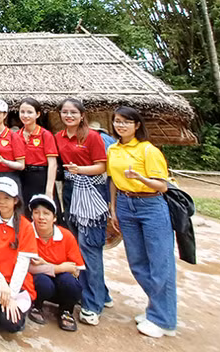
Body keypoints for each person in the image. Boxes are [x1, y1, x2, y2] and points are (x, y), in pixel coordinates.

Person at [107, 106, 177, 339]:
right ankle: (157, 309)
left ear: (137, 125)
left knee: (160, 262)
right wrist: (114, 208)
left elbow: (162, 186)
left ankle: (164, 319)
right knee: (137, 261)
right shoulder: (114, 150)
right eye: (117, 121)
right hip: (125, 205)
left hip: (151, 205)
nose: (121, 125)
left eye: (126, 122)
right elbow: (114, 181)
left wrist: (140, 178)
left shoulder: (148, 150)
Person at [55, 97, 111, 326]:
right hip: (70, 190)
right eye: (65, 112)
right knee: (77, 245)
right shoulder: (59, 137)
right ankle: (101, 294)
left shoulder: (92, 137)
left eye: (73, 112)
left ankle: (92, 303)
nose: (69, 116)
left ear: (81, 115)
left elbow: (102, 166)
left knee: (90, 247)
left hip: (91, 189)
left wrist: (81, 170)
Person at [0, 177, 37, 333]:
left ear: (16, 200)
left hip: (17, 284)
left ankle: (4, 309)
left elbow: (23, 263)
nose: (1, 201)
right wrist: (1, 280)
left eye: (6, 198)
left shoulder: (25, 226)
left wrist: (11, 294)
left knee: (12, 325)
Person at [28, 194, 84, 332]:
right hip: (40, 281)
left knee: (70, 283)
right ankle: (37, 305)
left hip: (60, 283)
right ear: (32, 216)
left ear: (54, 218)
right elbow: (28, 268)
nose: (41, 217)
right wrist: (59, 267)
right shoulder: (27, 233)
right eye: (36, 213)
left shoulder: (66, 236)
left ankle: (66, 310)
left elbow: (75, 270)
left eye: (46, 213)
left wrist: (45, 264)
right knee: (41, 281)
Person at [15, 98, 59, 212]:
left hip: (41, 177)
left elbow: (52, 164)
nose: (25, 115)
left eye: (29, 112)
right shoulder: (16, 135)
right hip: (22, 177)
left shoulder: (45, 134)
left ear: (38, 114)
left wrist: (49, 190)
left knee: (44, 211)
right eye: (22, 112)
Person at [0, 98, 24, 187]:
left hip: (8, 178)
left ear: (5, 114)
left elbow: (21, 165)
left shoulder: (13, 136)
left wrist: (3, 161)